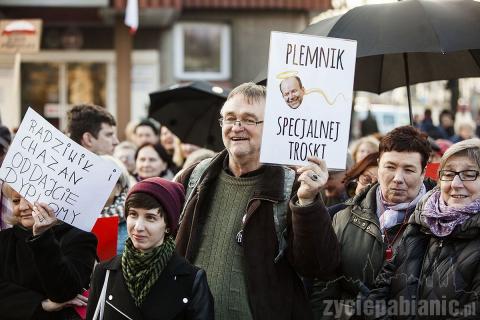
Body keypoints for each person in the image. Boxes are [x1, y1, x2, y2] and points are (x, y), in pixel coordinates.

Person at [175, 82, 339, 319]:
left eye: (249, 120)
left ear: (272, 126)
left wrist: (307, 203)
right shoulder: (194, 177)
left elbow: (319, 266)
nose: (237, 127)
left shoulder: (294, 185)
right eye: (229, 118)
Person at [310, 126, 432, 319]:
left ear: (423, 172)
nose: (397, 178)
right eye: (390, 167)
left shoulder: (438, 224)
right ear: (379, 164)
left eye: (409, 169)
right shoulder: (345, 217)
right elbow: (324, 286)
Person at [367, 138, 480, 319]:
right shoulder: (422, 221)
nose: (455, 184)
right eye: (449, 174)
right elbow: (381, 289)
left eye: (469, 174)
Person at [86, 177, 214, 320]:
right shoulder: (105, 273)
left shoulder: (191, 279)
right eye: (133, 215)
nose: (138, 227)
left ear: (167, 226)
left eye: (150, 218)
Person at [0, 184, 97, 320]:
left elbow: (65, 291)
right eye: (16, 201)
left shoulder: (79, 238)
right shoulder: (4, 240)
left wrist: (42, 237)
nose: (22, 207)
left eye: (29, 198)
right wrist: (41, 305)